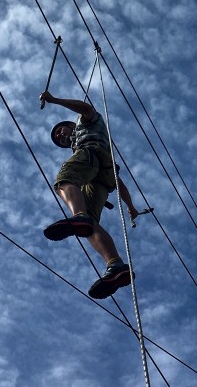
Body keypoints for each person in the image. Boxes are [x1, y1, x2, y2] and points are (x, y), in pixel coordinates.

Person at [40, 90, 137, 299]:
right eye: (58, 138)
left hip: (93, 154)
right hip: (104, 176)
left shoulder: (85, 124)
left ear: (71, 126)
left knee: (64, 181)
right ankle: (115, 265)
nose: (59, 136)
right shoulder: (82, 148)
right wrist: (131, 207)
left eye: (60, 131)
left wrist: (55, 99)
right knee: (91, 224)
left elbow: (85, 108)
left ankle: (78, 217)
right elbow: (118, 183)